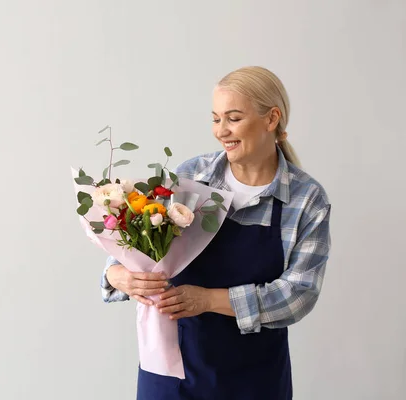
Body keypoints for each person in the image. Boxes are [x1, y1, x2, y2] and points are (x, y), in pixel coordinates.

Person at [100, 66, 331, 399]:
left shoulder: (306, 198)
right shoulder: (193, 176)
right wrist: (118, 275)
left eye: (233, 118)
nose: (221, 131)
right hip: (172, 371)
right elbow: (140, 244)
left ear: (271, 119)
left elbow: (298, 295)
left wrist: (207, 300)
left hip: (253, 379)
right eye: (215, 118)